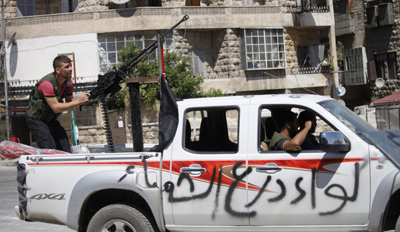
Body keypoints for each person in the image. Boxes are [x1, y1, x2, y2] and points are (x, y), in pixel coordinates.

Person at [25, 55, 89, 153]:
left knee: (65, 146)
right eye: (67, 67)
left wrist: (85, 100)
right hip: (36, 120)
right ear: (58, 70)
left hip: (50, 119)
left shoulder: (68, 82)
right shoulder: (47, 84)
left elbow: (69, 101)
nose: (71, 69)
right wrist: (78, 101)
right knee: (49, 147)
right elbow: (56, 108)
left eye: (71, 66)